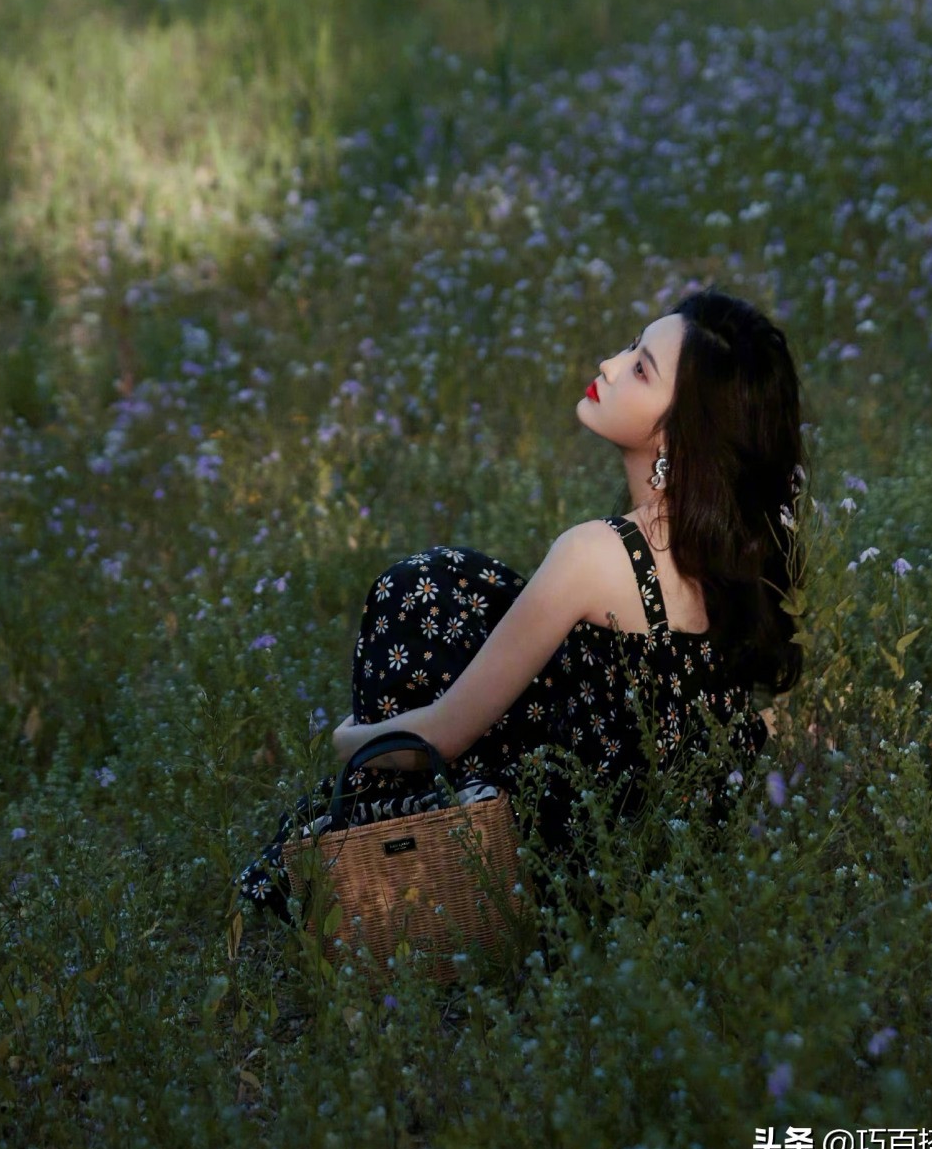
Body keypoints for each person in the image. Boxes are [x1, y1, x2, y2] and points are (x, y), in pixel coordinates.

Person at [233, 285, 808, 923]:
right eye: (629, 347)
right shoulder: (728, 559)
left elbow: (440, 738)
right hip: (662, 860)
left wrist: (347, 741)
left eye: (640, 369)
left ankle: (398, 884)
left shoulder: (597, 554)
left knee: (422, 591)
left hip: (564, 876)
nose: (610, 367)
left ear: (680, 433)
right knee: (468, 591)